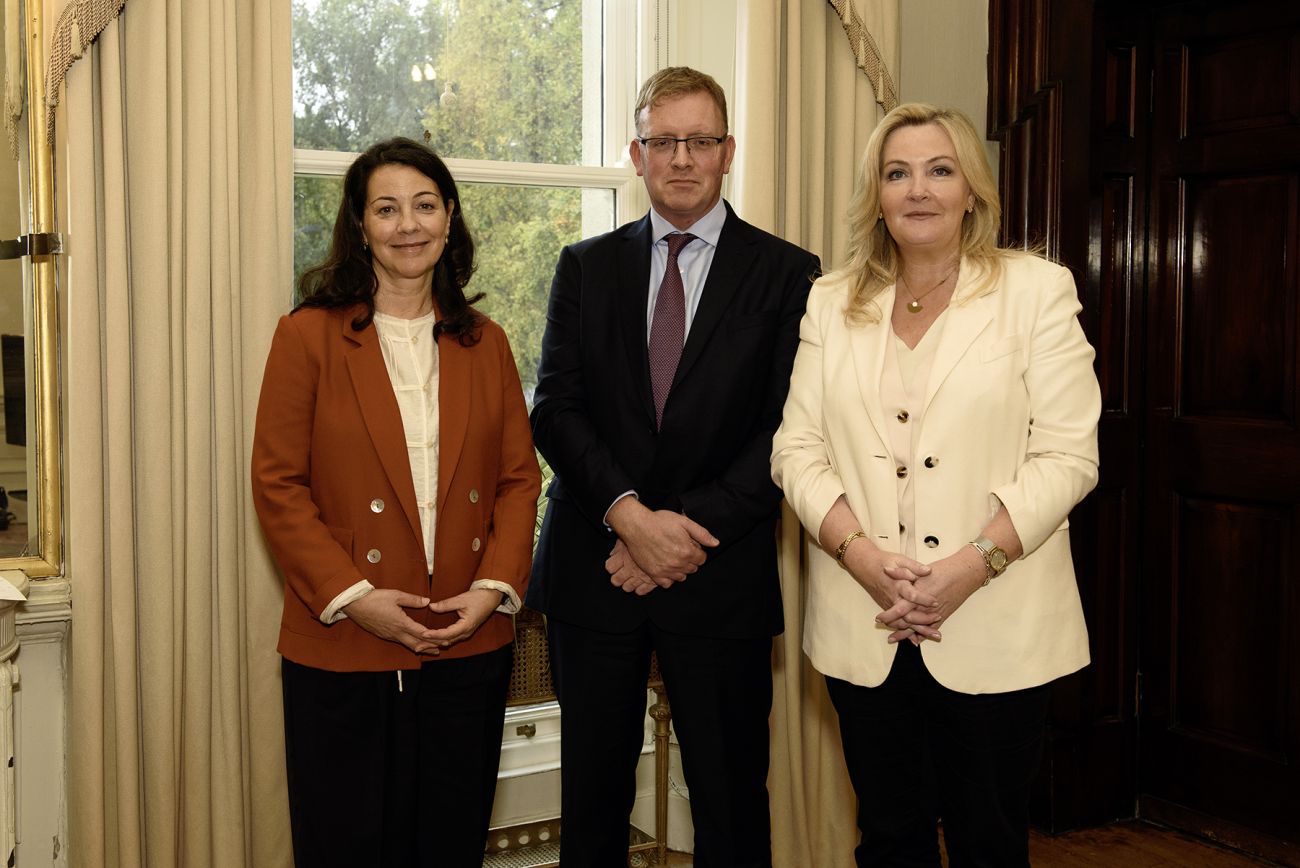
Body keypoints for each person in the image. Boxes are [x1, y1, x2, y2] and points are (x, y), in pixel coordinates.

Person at [770, 103, 1100, 867]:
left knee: (989, 841)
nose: (919, 189)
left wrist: (968, 566)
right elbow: (797, 448)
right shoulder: (832, 300)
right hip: (867, 620)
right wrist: (858, 556)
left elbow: (1069, 456)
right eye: (898, 173)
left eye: (939, 170)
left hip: (996, 621)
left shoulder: (1036, 292)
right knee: (889, 838)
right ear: (877, 196)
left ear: (971, 191)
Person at [526, 67, 819, 867]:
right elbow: (554, 407)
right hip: (596, 567)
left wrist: (681, 531)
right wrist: (629, 517)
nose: (681, 157)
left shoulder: (790, 274)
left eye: (699, 141)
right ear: (636, 152)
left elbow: (789, 430)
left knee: (730, 805)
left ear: (729, 152)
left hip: (719, 571)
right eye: (663, 141)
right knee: (591, 803)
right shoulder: (584, 267)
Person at [251, 137, 541, 867]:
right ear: (359, 225)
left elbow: (517, 479)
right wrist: (354, 596)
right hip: (347, 642)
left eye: (424, 206)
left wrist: (493, 590)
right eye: (387, 209)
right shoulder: (307, 336)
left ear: (449, 218)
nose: (408, 225)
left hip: (466, 637)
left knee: (448, 844)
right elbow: (277, 484)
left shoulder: (489, 343)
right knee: (346, 845)